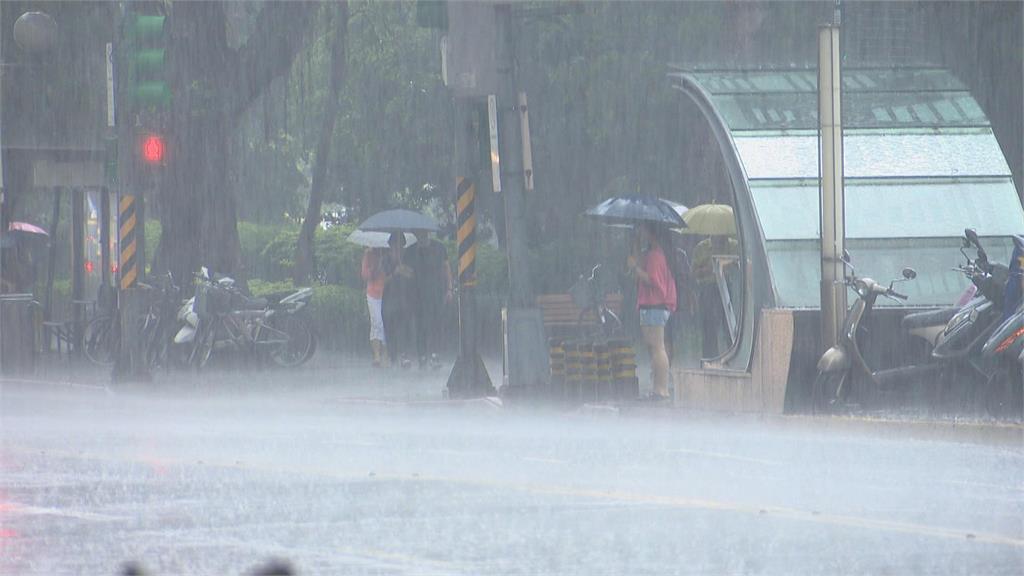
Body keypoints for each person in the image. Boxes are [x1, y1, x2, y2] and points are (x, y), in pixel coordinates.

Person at [627, 222, 677, 401]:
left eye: (645, 231)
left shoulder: (656, 256)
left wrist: (635, 269)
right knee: (652, 348)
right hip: (649, 305)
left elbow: (653, 281)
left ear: (652, 234)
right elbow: (640, 263)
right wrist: (635, 245)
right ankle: (657, 387)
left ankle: (661, 389)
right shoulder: (652, 254)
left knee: (658, 347)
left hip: (655, 305)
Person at [405, 230, 452, 369]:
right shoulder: (411, 251)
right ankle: (422, 356)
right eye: (419, 234)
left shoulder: (439, 248)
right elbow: (406, 271)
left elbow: (446, 268)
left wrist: (449, 288)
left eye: (423, 234)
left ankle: (435, 355)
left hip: (436, 293)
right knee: (420, 326)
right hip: (417, 295)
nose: (422, 236)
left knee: (436, 325)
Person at [691, 235, 739, 358]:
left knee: (729, 325)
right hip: (707, 287)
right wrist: (709, 269)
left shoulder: (734, 246)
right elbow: (694, 273)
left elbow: (741, 263)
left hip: (726, 286)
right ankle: (710, 357)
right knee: (708, 325)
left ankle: (733, 355)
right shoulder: (702, 248)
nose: (719, 236)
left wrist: (728, 264)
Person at [381, 233, 416, 369]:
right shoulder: (385, 260)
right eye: (395, 246)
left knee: (404, 328)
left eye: (400, 246)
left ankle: (404, 355)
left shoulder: (408, 258)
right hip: (389, 300)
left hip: (405, 299)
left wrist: (405, 270)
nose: (398, 249)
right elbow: (382, 280)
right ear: (390, 247)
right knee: (390, 330)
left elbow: (413, 275)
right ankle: (392, 355)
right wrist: (395, 272)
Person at [361, 246, 389, 367]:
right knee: (377, 322)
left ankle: (386, 353)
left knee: (386, 322)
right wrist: (376, 266)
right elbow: (365, 275)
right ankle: (377, 354)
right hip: (373, 294)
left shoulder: (390, 252)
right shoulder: (369, 253)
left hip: (388, 293)